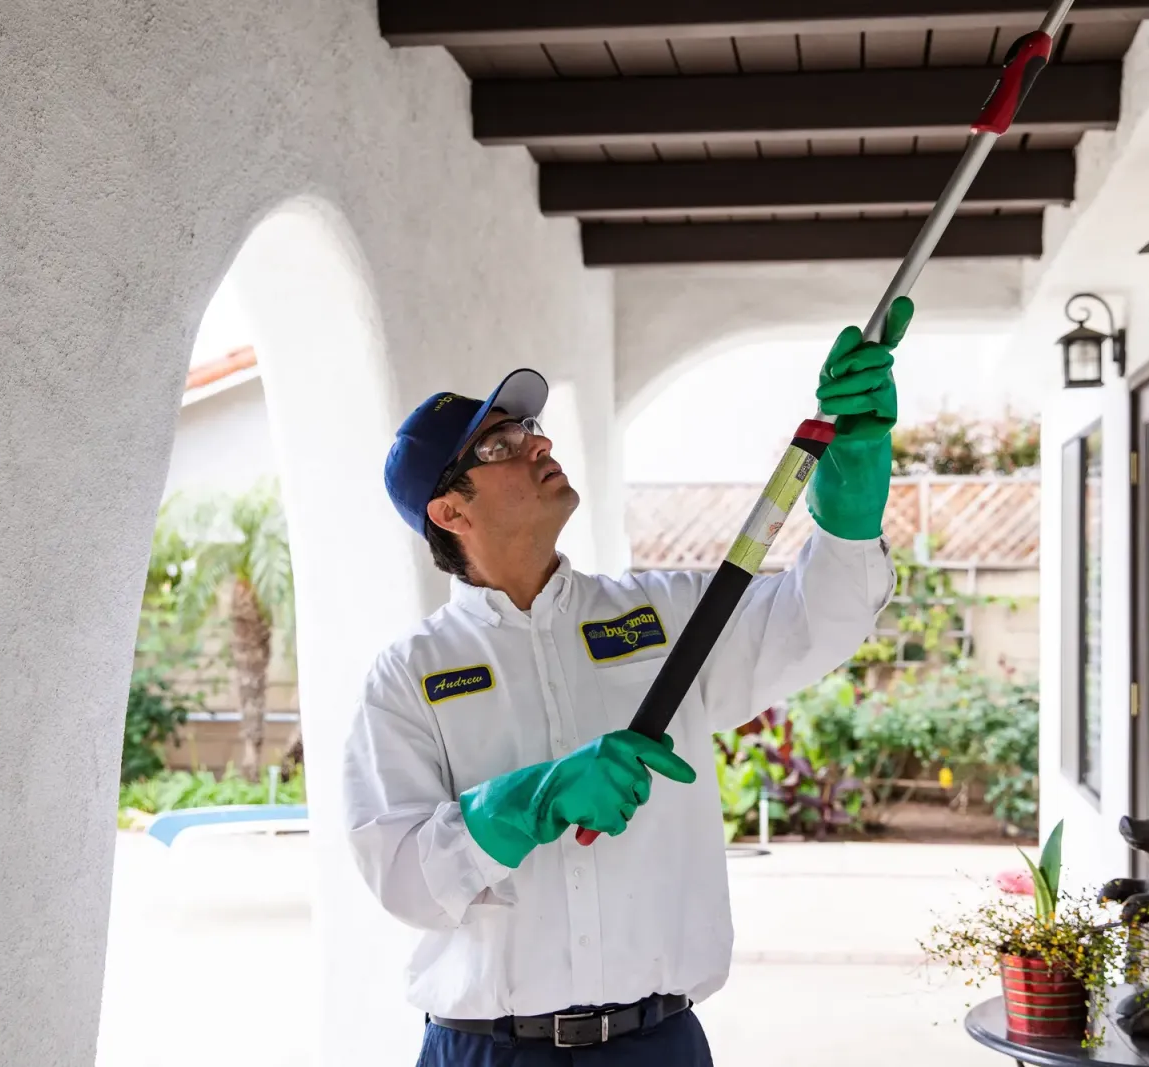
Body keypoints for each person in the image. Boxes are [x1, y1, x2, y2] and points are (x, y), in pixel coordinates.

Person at [342, 298, 915, 1065]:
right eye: (500, 443)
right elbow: (406, 880)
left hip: (657, 1043)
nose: (537, 444)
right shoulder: (409, 676)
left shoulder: (667, 615)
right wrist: (527, 802)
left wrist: (851, 497)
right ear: (450, 510)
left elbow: (819, 619)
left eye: (532, 429)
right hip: (489, 1051)